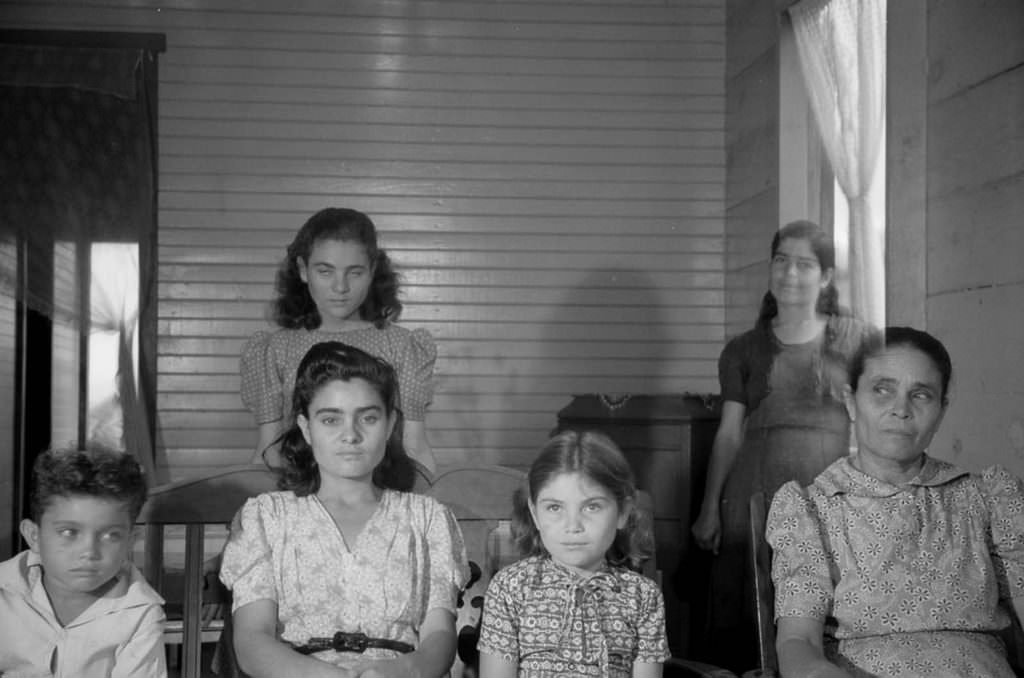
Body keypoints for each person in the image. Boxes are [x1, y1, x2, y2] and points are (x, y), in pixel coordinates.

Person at [768, 327, 1024, 677]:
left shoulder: (985, 500)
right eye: (882, 390)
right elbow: (799, 642)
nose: (900, 409)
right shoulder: (814, 510)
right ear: (850, 401)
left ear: (942, 410)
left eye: (921, 395)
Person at [221, 341, 468, 678]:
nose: (350, 435)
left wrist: (401, 672)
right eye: (330, 420)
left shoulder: (426, 519)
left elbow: (438, 636)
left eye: (367, 417)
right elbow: (252, 641)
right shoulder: (267, 519)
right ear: (306, 428)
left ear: (391, 423)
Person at [689, 220, 868, 668]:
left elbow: (868, 423)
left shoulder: (854, 340)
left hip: (824, 490)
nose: (789, 273)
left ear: (825, 277)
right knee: (749, 608)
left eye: (804, 264)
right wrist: (711, 507)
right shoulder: (744, 349)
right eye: (781, 260)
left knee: (820, 611)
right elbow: (729, 433)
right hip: (753, 493)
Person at [241, 207, 438, 473]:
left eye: (355, 272)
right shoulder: (275, 351)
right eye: (325, 271)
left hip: (381, 496)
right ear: (302, 270)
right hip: (299, 498)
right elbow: (269, 452)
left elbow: (414, 447)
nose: (340, 287)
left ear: (372, 271)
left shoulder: (403, 348)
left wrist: (425, 508)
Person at [478, 429, 670, 677]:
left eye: (592, 507)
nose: (573, 526)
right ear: (535, 513)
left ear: (622, 511)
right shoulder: (510, 588)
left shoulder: (643, 597)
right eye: (555, 507)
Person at [0, 443, 166, 678]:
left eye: (110, 535)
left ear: (130, 540)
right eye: (69, 533)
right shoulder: (5, 593)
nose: (89, 551)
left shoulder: (139, 614)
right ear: (34, 536)